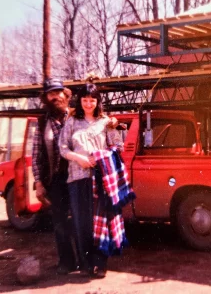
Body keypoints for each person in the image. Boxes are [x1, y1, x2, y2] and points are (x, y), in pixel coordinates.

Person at [59, 84, 134, 278]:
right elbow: (62, 148)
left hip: (101, 179)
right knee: (81, 222)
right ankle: (85, 265)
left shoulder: (105, 122)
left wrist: (100, 156)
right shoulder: (72, 122)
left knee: (100, 222)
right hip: (77, 178)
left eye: (92, 99)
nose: (88, 103)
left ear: (97, 101)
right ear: (80, 101)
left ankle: (101, 264)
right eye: (85, 99)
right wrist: (79, 159)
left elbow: (118, 146)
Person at [32, 78, 77, 275]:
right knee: (60, 222)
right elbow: (36, 155)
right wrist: (39, 183)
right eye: (51, 94)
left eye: (59, 92)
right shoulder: (42, 123)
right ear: (46, 98)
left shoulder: (77, 116)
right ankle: (66, 262)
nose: (55, 97)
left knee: (82, 219)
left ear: (65, 95)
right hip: (57, 179)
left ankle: (86, 260)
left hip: (80, 177)